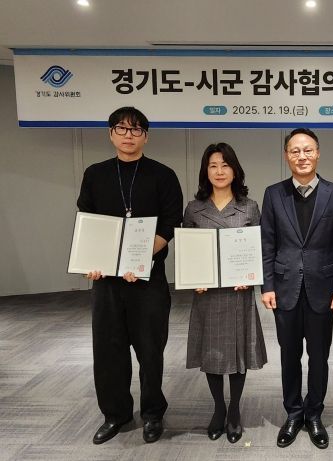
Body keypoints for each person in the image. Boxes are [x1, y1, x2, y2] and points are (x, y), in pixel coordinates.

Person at [77, 106, 183, 444]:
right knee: (109, 350)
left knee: (151, 351)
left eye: (136, 130)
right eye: (121, 129)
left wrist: (137, 259)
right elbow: (87, 220)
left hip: (147, 279)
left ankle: (153, 413)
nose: (128, 135)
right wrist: (92, 260)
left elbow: (171, 223)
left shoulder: (163, 175)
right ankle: (116, 414)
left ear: (145, 137)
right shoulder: (95, 174)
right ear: (111, 134)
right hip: (106, 282)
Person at [260, 128, 333, 449]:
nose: (302, 156)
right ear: (287, 155)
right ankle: (293, 413)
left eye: (308, 150)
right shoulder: (274, 194)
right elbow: (267, 243)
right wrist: (267, 285)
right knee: (289, 356)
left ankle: (314, 414)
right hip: (284, 288)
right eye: (295, 151)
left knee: (319, 357)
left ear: (318, 153)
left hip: (323, 289)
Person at [183, 143, 267, 444]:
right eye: (213, 166)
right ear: (205, 171)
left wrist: (251, 275)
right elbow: (189, 251)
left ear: (235, 170)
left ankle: (234, 410)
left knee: (238, 351)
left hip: (237, 293)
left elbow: (259, 248)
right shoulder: (194, 208)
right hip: (207, 294)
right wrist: (193, 277)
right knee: (212, 353)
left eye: (225, 165)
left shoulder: (250, 207)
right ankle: (219, 408)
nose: (219, 171)